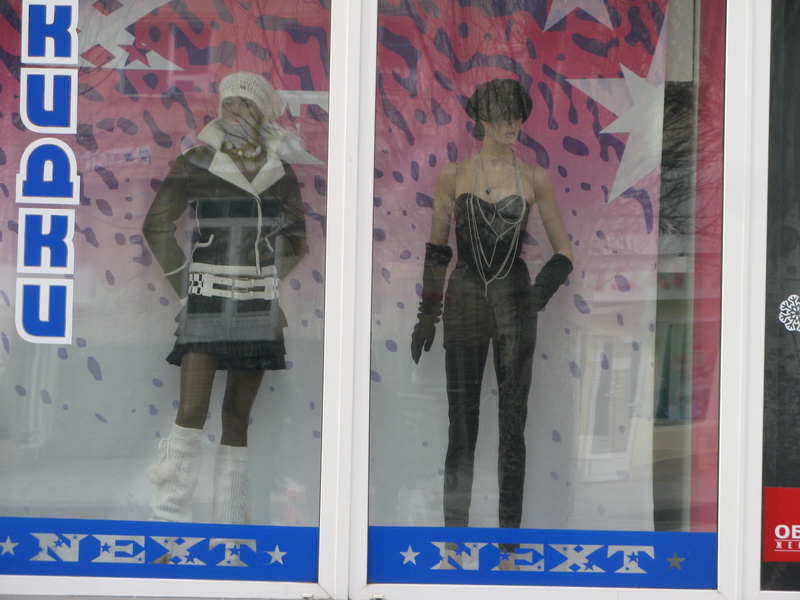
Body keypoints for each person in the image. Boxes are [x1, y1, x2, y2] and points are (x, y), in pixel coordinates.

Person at [143, 72, 306, 523]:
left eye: (245, 104)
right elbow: (156, 226)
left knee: (237, 418)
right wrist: (185, 285)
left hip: (257, 306)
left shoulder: (280, 172)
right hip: (207, 302)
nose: (234, 111)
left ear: (262, 115)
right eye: (229, 102)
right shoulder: (196, 162)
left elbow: (297, 241)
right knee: (192, 410)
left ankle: (232, 532)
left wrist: (265, 275)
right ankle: (166, 525)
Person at [411, 78, 573, 531]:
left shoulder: (534, 177)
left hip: (513, 303)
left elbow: (564, 253)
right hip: (464, 301)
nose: (512, 124)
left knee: (512, 426)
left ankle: (508, 547)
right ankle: (453, 540)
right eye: (502, 115)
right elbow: (438, 250)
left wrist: (534, 298)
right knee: (460, 426)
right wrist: (427, 316)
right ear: (482, 119)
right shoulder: (454, 175)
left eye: (517, 114)